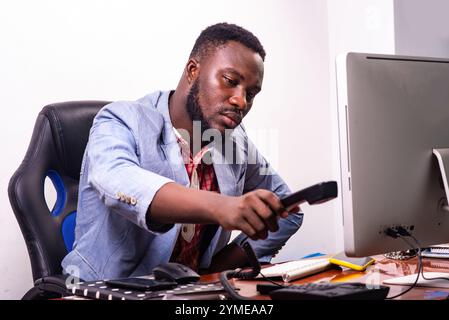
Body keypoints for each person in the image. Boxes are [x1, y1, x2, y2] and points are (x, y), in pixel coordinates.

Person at [62, 22, 304, 281]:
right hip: (102, 291)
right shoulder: (119, 120)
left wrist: (215, 270)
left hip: (189, 293)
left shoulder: (235, 143)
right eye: (230, 81)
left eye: (251, 93)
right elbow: (119, 179)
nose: (241, 101)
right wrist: (223, 207)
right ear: (192, 71)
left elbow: (288, 209)